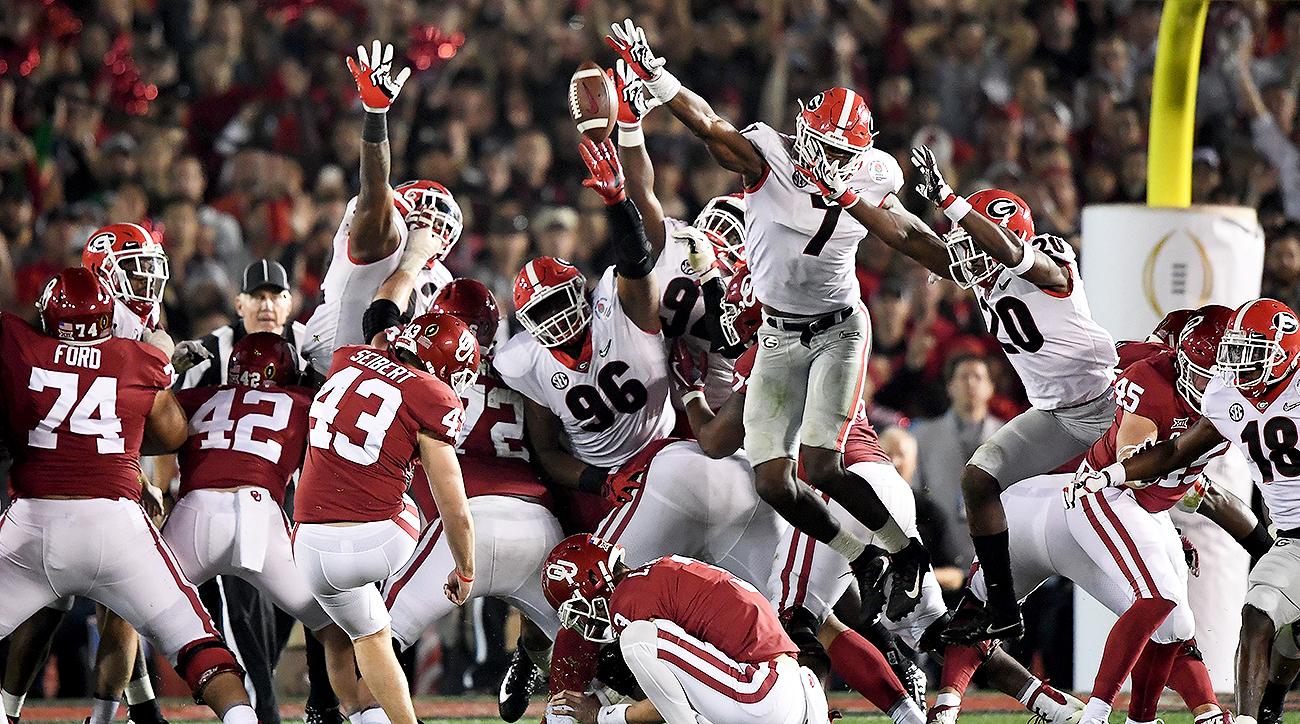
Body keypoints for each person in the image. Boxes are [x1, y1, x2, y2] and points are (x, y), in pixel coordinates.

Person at [605, 18, 928, 619]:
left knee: (814, 485)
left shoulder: (873, 176)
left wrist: (695, 386)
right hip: (783, 343)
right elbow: (709, 128)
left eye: (737, 237)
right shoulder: (763, 177)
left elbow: (900, 231)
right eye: (723, 234)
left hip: (832, 333)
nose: (729, 246)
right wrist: (656, 88)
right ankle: (870, 560)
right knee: (775, 488)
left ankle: (900, 559)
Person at [807, 146, 1118, 642]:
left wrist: (950, 199)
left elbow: (1013, 255)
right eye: (967, 248)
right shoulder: (981, 269)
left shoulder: (1052, 259)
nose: (971, 263)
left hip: (1108, 409)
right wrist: (845, 195)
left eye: (978, 245)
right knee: (979, 481)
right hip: (1056, 414)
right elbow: (906, 236)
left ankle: (1251, 533)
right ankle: (999, 607)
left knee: (1162, 495)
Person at [0, 268, 257, 724]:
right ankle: (241, 718)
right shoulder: (139, 358)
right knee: (197, 643)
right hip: (116, 527)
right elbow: (174, 434)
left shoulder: (18, 345)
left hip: (34, 526)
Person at [1068, 298, 1300, 724]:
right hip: (1288, 538)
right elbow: (1173, 454)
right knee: (1248, 614)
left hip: (1268, 530)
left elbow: (1207, 493)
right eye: (1236, 353)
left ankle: (1245, 705)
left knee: (1281, 635)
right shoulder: (1221, 393)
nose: (1238, 368)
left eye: (1253, 355)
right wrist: (1114, 473)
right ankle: (1245, 717)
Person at [378, 280, 564, 719]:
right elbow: (552, 447)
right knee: (589, 666)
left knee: (373, 640)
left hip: (461, 524)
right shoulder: (520, 369)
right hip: (538, 524)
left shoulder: (419, 376)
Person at [165, 332, 369, 720]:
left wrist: (166, 374)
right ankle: (365, 713)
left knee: (130, 608)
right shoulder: (303, 402)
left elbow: (146, 423)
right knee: (335, 627)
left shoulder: (201, 396)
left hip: (196, 511)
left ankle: (120, 708)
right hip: (262, 514)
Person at [293, 311, 479, 724]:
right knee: (410, 502)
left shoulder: (347, 358)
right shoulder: (433, 395)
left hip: (307, 546)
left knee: (365, 632)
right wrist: (464, 571)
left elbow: (380, 335)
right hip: (376, 543)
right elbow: (455, 509)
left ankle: (365, 717)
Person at [543, 535, 828, 724]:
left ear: (595, 577)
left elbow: (665, 704)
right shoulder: (657, 576)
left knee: (636, 639)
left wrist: (600, 715)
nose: (587, 620)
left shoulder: (628, 599)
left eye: (579, 607)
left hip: (760, 695)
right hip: (793, 694)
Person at [301, 40, 460, 377]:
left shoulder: (443, 278)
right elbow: (375, 190)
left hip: (383, 383)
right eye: (424, 215)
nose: (429, 226)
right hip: (324, 375)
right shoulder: (386, 235)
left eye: (438, 223)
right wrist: (376, 117)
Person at [911, 354, 1005, 579]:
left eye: (978, 377)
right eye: (963, 377)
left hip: (999, 553)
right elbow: (916, 500)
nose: (971, 383)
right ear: (950, 387)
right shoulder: (923, 436)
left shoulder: (1008, 436)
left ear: (991, 388)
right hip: (940, 559)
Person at [175, 259, 307, 386]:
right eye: (258, 297)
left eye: (275, 297)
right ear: (239, 306)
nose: (267, 306)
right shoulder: (208, 351)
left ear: (289, 305)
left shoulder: (310, 346)